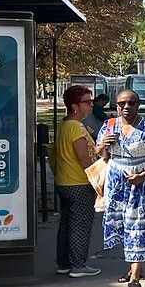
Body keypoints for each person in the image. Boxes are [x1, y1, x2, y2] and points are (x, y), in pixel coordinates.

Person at [96, 89, 145, 287]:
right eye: (122, 103)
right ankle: (136, 267)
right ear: (116, 105)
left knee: (138, 226)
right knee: (124, 225)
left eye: (131, 103)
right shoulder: (109, 126)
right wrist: (104, 145)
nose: (126, 107)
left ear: (138, 105)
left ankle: (135, 276)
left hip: (143, 184)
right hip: (116, 185)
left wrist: (143, 175)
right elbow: (100, 154)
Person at [55, 85, 101, 277]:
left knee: (66, 224)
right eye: (87, 102)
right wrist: (97, 178)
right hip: (79, 182)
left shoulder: (65, 124)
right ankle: (78, 265)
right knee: (81, 224)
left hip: (64, 181)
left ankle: (64, 263)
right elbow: (84, 157)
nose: (91, 105)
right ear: (74, 106)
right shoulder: (75, 127)